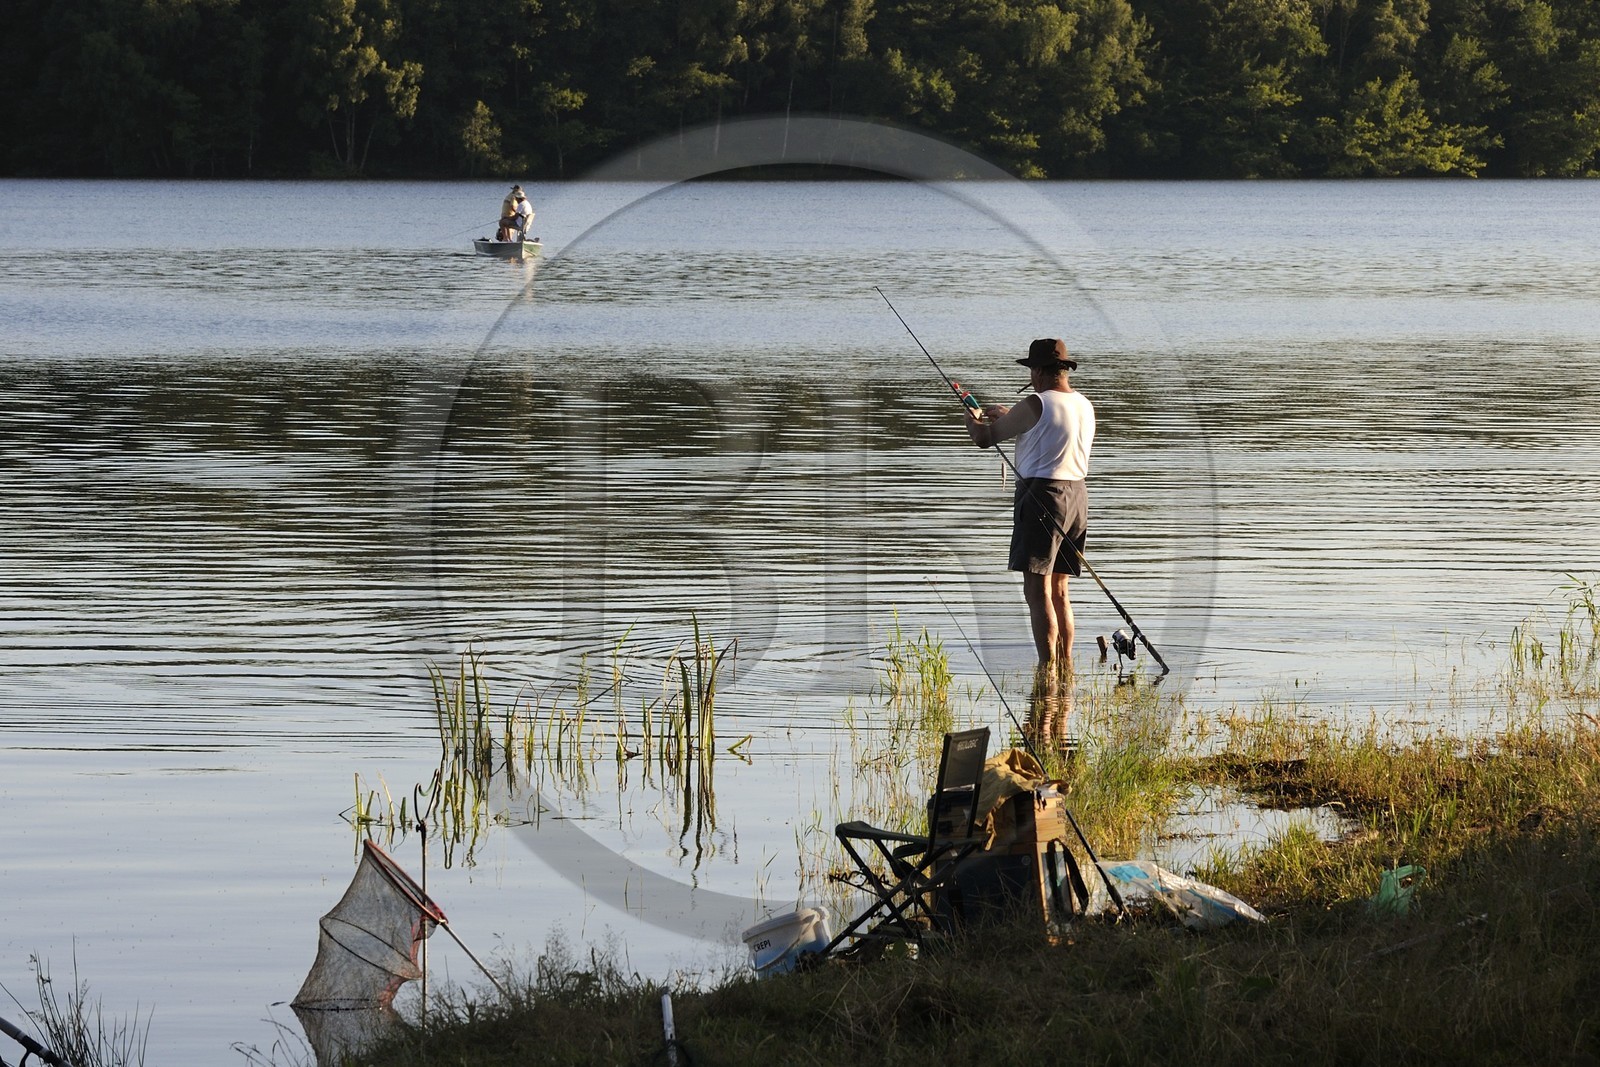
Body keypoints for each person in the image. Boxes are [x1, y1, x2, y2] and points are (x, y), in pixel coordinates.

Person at [965, 338, 1095, 669]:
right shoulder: (1083, 404)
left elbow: (983, 439)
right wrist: (1012, 416)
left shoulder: (1036, 402)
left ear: (1037, 371)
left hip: (1042, 498)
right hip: (1077, 498)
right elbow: (1049, 432)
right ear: (1064, 369)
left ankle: (1046, 669)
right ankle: (1065, 665)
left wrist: (972, 415)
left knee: (1036, 590)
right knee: (1060, 589)